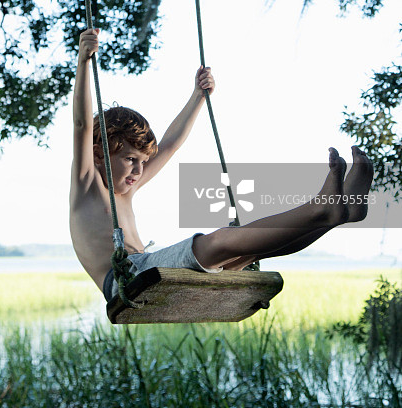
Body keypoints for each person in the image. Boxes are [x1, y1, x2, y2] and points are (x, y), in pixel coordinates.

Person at [70, 28, 375, 302]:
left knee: (246, 252)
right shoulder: (88, 185)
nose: (138, 171)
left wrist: (197, 97)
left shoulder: (126, 188)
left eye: (143, 162)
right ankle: (319, 208)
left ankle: (338, 215)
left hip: (146, 269)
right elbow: (83, 125)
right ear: (98, 155)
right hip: (127, 281)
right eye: (130, 160)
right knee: (218, 241)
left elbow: (170, 144)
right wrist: (84, 62)